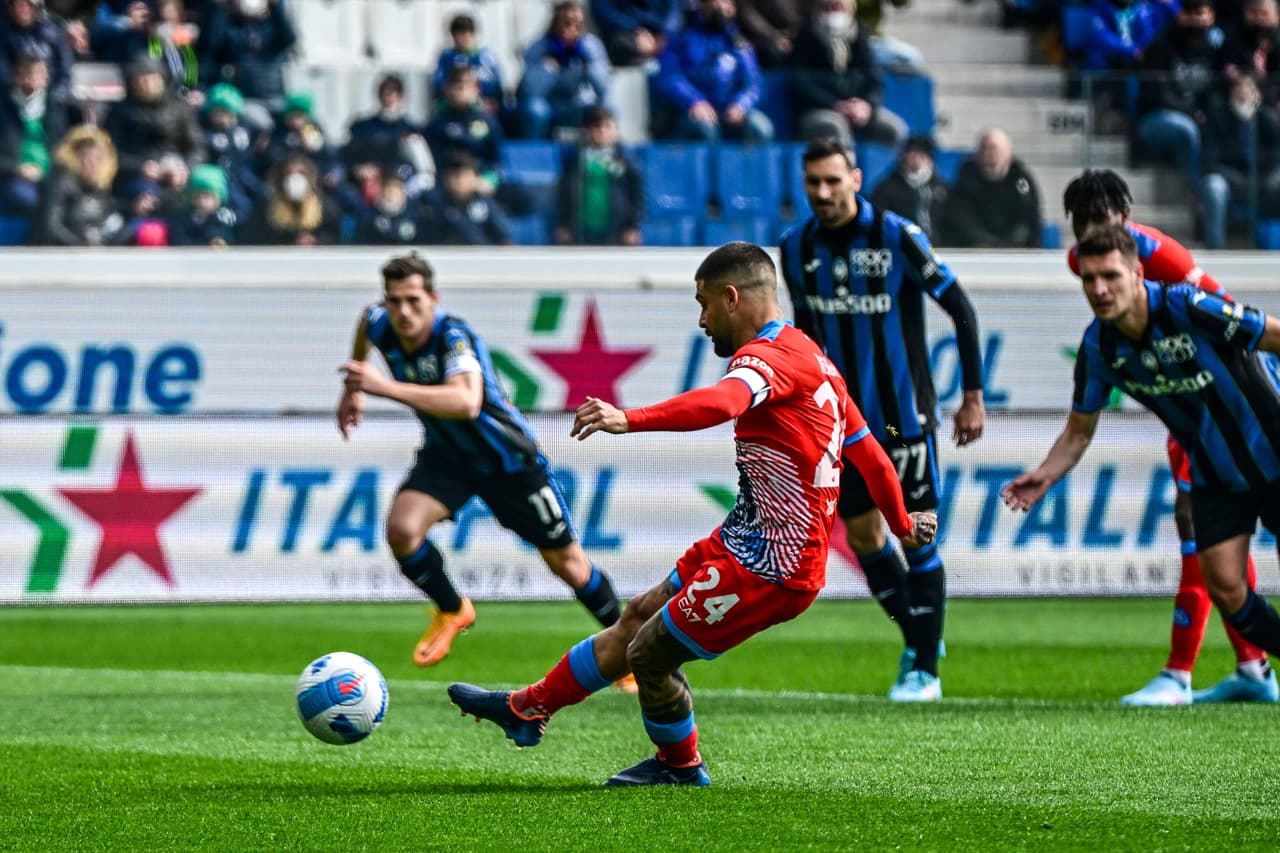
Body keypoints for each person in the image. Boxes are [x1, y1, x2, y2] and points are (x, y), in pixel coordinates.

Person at [447, 241, 938, 786]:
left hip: (772, 567)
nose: (702, 320)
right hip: (743, 539)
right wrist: (902, 524)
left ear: (732, 297)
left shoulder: (764, 359)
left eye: (704, 304)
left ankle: (680, 766)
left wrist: (628, 418)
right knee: (637, 616)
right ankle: (528, 708)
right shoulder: (812, 357)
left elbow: (724, 403)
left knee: (649, 655)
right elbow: (870, 453)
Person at [1002, 224, 1280, 685]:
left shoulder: (1187, 306)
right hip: (1214, 469)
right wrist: (1045, 474)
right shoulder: (1099, 347)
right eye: (1089, 279)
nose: (1099, 289)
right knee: (1227, 586)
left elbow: (1271, 333)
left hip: (1272, 452)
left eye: (1110, 276)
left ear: (1137, 274)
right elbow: (1079, 430)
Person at [337, 253, 629, 673]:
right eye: (395, 301)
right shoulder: (380, 322)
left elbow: (467, 401)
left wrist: (381, 387)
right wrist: (354, 391)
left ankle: (631, 655)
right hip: (449, 458)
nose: (403, 311)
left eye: (414, 300)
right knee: (402, 530)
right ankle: (453, 609)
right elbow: (366, 321)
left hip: (507, 461)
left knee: (568, 564)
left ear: (433, 299)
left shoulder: (453, 336)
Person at [779, 138, 985, 701]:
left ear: (856, 178)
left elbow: (961, 309)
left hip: (900, 422)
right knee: (866, 537)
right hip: (841, 426)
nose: (823, 192)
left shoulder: (897, 236)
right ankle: (920, 637)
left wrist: (972, 395)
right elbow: (807, 341)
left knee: (915, 533)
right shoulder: (795, 248)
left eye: (833, 180)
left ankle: (924, 670)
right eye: (813, 182)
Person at [1062, 169, 1276, 705]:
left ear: (1125, 220)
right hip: (1189, 416)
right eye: (1082, 224)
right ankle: (1250, 665)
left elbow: (1233, 327)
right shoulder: (1083, 261)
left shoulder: (1167, 260)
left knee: (1197, 524)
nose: (1091, 234)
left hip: (1235, 408)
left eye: (1101, 220)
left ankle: (1185, 671)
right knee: (1210, 538)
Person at [652, 0, 775, 142]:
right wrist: (695, 101)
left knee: (760, 128)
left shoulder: (738, 42)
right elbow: (670, 76)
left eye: (726, 4)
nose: (721, 8)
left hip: (729, 110)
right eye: (715, 4)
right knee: (704, 130)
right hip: (689, 110)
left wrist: (741, 105)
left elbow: (754, 83)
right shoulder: (681, 37)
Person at [554, 105, 644, 246]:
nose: (602, 132)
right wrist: (563, 224)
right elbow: (564, 194)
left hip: (616, 230)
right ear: (587, 131)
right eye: (597, 127)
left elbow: (638, 195)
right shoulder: (576, 160)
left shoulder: (626, 160)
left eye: (607, 127)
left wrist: (633, 226)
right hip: (582, 231)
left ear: (616, 130)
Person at [942, 128, 1042, 249]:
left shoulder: (1022, 182)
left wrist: (1011, 246)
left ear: (1009, 155)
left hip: (1015, 251)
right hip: (975, 250)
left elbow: (1030, 221)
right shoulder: (965, 181)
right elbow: (963, 223)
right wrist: (992, 245)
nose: (988, 154)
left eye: (993, 149)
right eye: (983, 148)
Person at [870, 134, 948, 242]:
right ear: (903, 156)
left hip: (941, 247)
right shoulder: (886, 188)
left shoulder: (942, 189)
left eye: (922, 155)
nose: (917, 160)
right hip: (901, 244)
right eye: (912, 154)